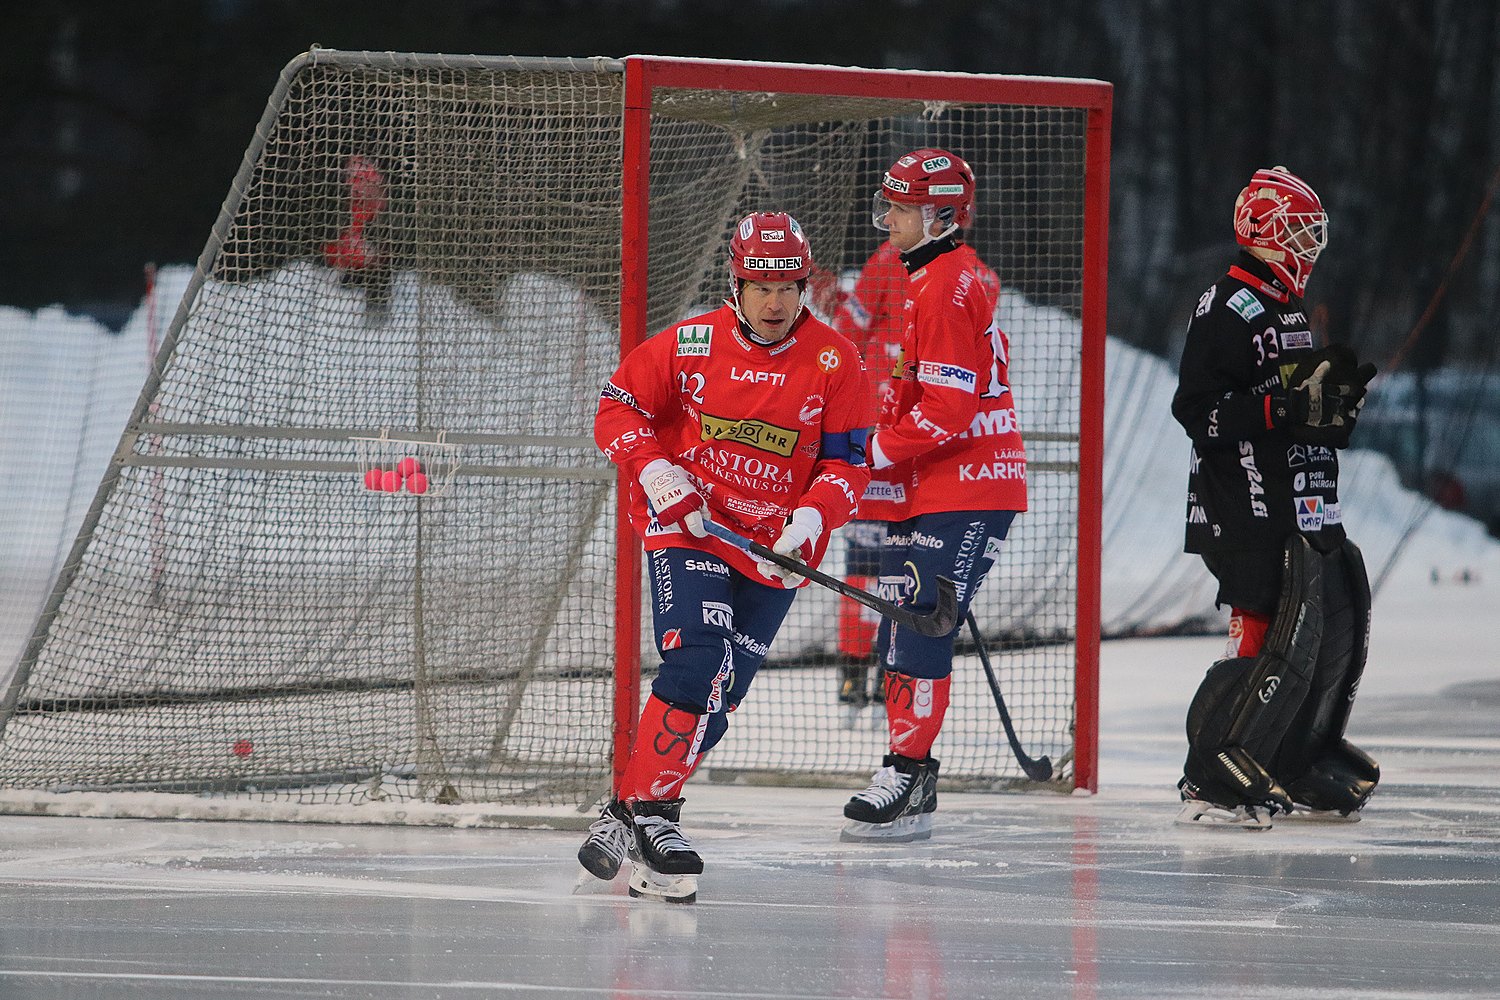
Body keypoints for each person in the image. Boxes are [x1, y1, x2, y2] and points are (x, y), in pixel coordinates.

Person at [578, 211, 873, 900]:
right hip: (691, 528)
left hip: (773, 551)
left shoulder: (836, 360)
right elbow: (616, 410)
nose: (776, 301)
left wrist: (808, 520)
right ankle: (658, 815)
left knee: (723, 693)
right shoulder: (689, 343)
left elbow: (849, 462)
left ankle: (628, 809)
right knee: (698, 659)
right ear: (734, 283)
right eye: (761, 284)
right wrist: (658, 473)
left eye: (789, 286)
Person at [1171, 165, 1380, 830]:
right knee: (1263, 620)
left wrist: (1324, 405)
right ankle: (1215, 765)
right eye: (1298, 230)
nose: (1309, 245)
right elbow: (1196, 409)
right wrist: (1282, 408)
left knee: (1323, 617)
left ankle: (1290, 754)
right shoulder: (1227, 305)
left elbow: (1286, 402)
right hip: (1244, 499)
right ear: (1261, 228)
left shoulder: (1284, 304)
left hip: (1295, 498)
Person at [841, 149, 1028, 842]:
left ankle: (908, 771)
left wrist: (876, 451)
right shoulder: (929, 277)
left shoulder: (946, 283)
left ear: (940, 213)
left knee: (921, 613)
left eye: (899, 206)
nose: (886, 216)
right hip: (937, 481)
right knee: (907, 618)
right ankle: (907, 769)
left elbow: (949, 408)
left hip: (970, 480)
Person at [830, 236, 1000, 724]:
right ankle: (865, 673)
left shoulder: (943, 275)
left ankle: (875, 674)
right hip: (902, 437)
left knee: (890, 564)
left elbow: (850, 331)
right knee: (878, 562)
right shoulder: (976, 275)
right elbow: (850, 331)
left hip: (909, 440)